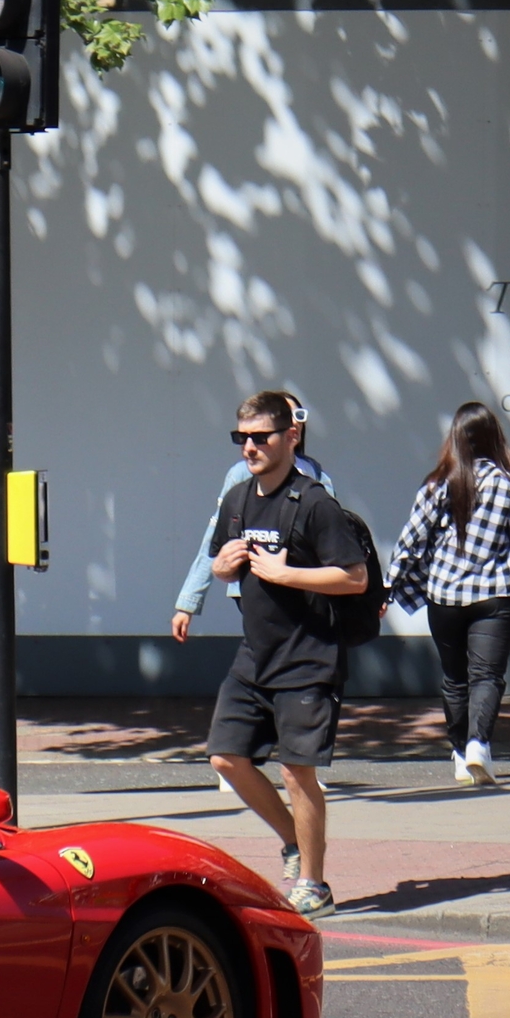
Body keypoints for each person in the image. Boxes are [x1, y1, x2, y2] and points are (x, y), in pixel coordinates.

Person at [202, 391, 371, 919]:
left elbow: (355, 577)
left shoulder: (315, 503)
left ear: (290, 437)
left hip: (308, 656)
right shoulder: (238, 499)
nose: (249, 447)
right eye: (242, 438)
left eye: (260, 437)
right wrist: (222, 568)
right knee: (226, 757)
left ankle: (314, 884)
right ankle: (293, 842)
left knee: (298, 773)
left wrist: (287, 574)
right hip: (255, 655)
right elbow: (218, 562)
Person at [387, 403, 510, 788]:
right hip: (496, 594)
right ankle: (479, 744)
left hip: (444, 593)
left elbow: (411, 540)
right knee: (488, 675)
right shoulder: (508, 483)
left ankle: (460, 752)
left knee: (455, 678)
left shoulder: (439, 483)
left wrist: (390, 585)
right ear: (494, 437)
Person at [170, 391, 336, 643]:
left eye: (298, 416)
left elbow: (336, 542)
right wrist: (188, 602)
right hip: (255, 587)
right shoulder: (242, 475)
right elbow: (215, 540)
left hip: (304, 589)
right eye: (285, 416)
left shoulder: (316, 475)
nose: (294, 423)